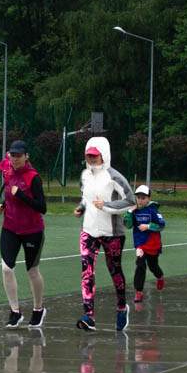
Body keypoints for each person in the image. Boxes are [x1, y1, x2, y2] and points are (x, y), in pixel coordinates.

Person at [74, 136, 134, 332]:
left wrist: (107, 206)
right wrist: (81, 208)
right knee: (87, 272)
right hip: (89, 231)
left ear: (104, 155)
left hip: (112, 233)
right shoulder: (85, 175)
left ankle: (121, 307)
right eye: (88, 156)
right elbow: (86, 198)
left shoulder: (114, 177)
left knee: (114, 270)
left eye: (95, 156)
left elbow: (131, 201)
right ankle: (88, 315)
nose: (91, 160)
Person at [0, 139, 48, 328]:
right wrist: (3, 204)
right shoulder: (9, 174)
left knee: (32, 271)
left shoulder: (33, 177)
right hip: (10, 227)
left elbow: (42, 207)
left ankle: (38, 308)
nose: (15, 159)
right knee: (6, 268)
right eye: (12, 156)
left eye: (18, 156)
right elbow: (8, 195)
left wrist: (22, 196)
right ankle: (15, 311)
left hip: (32, 230)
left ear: (26, 157)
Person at [124, 184, 166, 303]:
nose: (140, 200)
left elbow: (162, 225)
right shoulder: (134, 211)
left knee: (153, 266)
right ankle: (139, 292)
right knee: (140, 265)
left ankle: (160, 276)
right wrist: (129, 212)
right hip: (140, 245)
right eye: (138, 198)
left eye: (143, 198)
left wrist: (148, 226)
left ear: (148, 198)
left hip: (153, 244)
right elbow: (128, 225)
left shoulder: (153, 211)